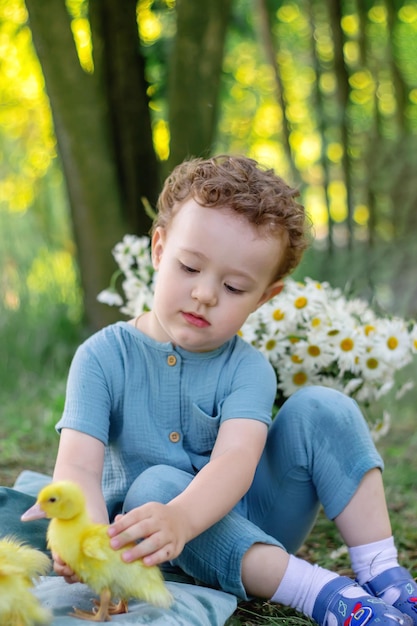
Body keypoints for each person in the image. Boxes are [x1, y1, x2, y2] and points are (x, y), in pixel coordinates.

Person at [48, 155, 417, 626]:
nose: (205, 294)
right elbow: (77, 465)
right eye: (189, 267)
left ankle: (383, 574)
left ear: (264, 297)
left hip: (257, 528)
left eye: (234, 286)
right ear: (159, 250)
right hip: (150, 542)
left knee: (326, 407)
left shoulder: (248, 369)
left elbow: (234, 463)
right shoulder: (102, 357)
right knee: (157, 487)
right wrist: (86, 537)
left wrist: (185, 517)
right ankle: (320, 593)